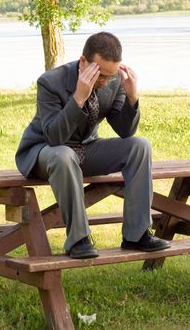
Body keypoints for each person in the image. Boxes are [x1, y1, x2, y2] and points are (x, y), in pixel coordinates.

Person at [15, 32, 171, 259]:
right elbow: (54, 138)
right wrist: (78, 98)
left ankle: (137, 235)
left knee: (139, 146)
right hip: (45, 151)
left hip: (85, 149)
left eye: (110, 75)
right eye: (100, 75)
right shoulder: (50, 82)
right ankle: (78, 239)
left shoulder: (113, 80)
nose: (105, 82)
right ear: (83, 62)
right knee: (63, 155)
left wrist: (132, 97)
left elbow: (125, 131)